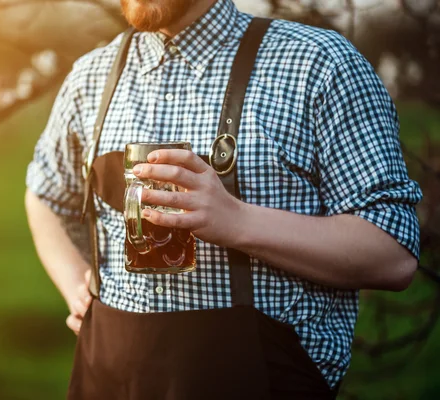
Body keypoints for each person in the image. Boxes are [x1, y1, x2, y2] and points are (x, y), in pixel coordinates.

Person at [25, 0, 423, 398]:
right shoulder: (90, 77)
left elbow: (392, 255)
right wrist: (74, 283)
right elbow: (45, 195)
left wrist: (237, 221)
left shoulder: (318, 63)